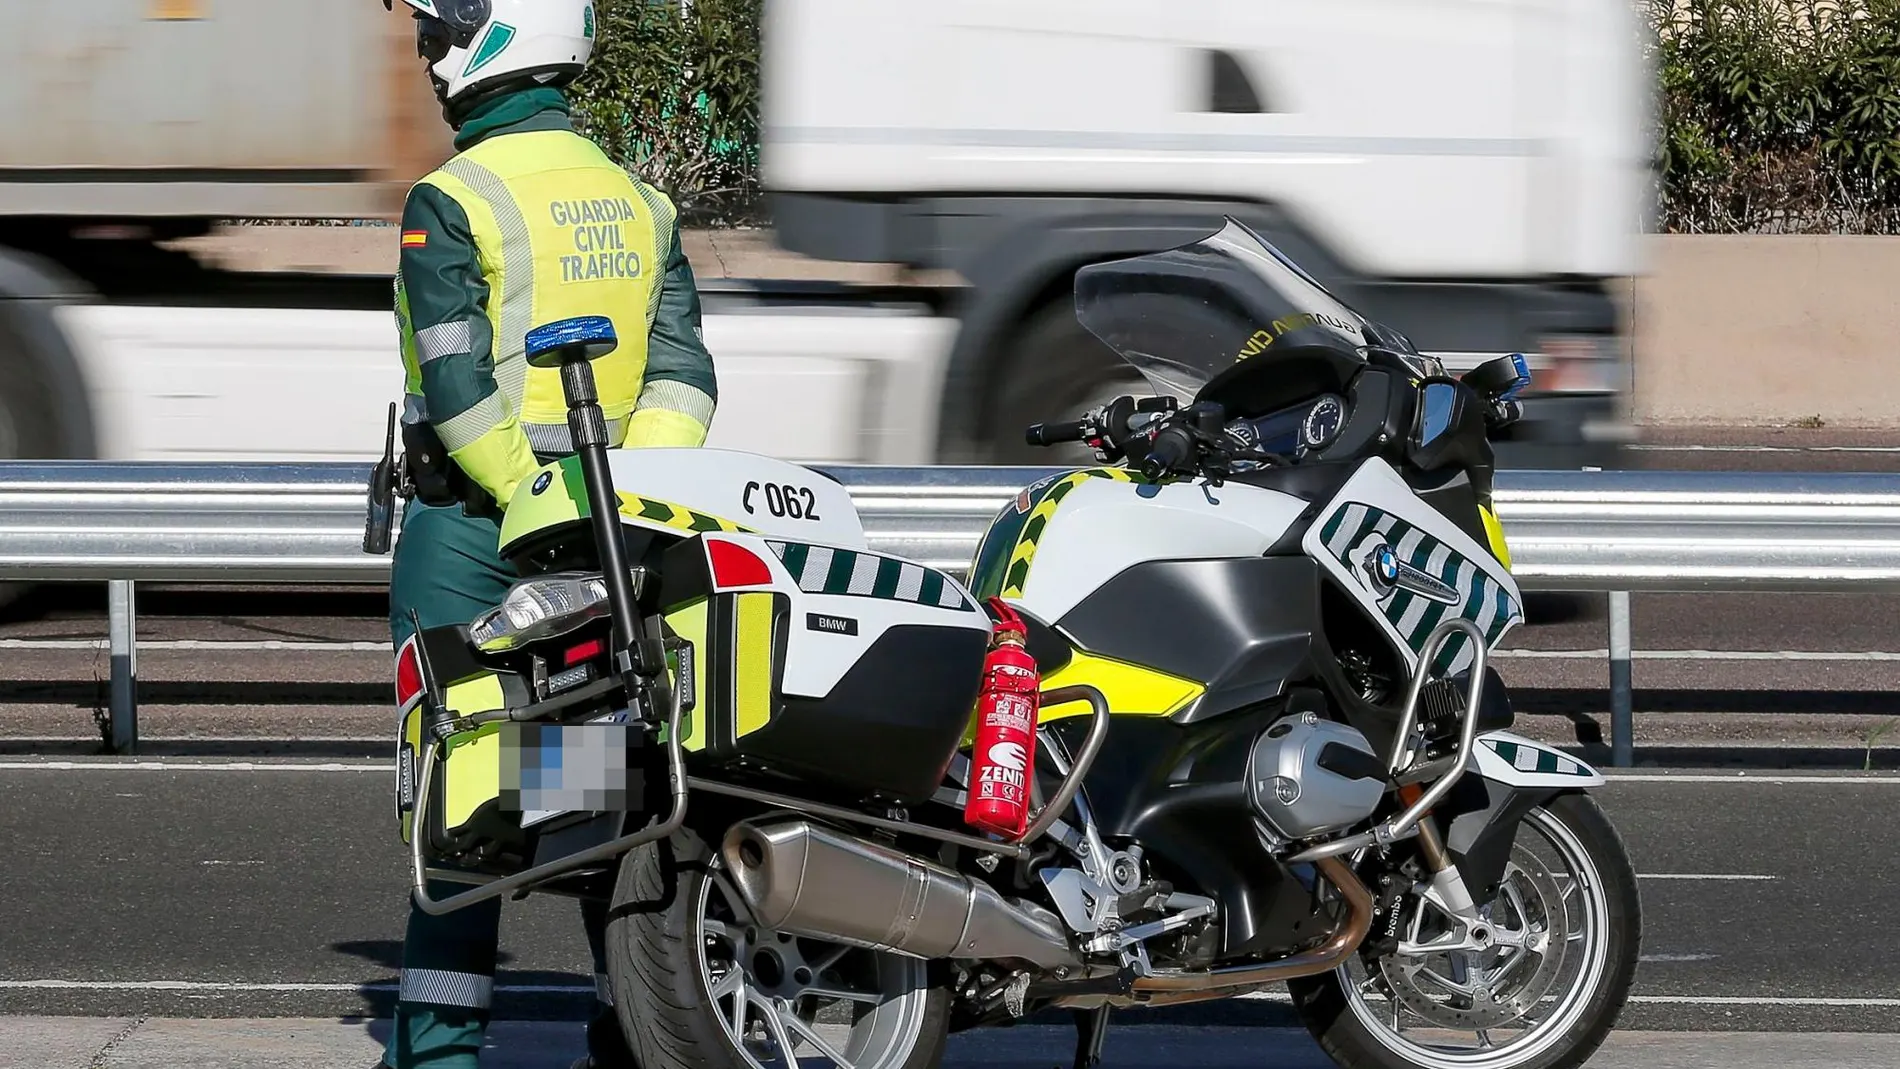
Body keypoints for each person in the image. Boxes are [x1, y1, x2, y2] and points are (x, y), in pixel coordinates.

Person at [376, 1, 717, 1067]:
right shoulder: (641, 199)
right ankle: (632, 1033)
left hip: (475, 533)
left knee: (462, 793)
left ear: (498, 38)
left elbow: (456, 380)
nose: (429, 57)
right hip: (613, 536)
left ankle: (436, 1053)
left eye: (440, 34)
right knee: (614, 781)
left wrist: (528, 493)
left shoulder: (454, 197)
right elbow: (683, 370)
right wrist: (621, 490)